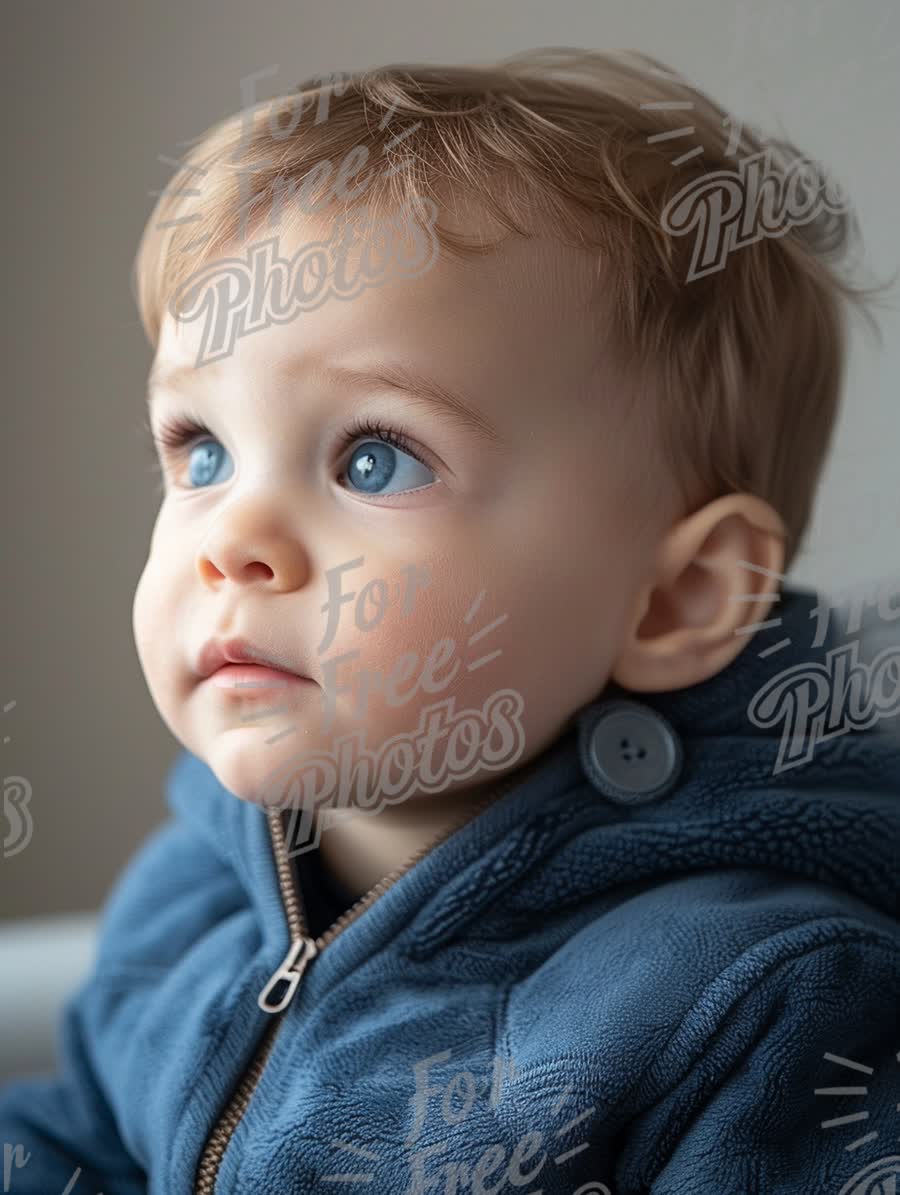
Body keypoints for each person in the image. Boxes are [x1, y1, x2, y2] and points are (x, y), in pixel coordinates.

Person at [2, 48, 899, 1195]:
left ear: (679, 598)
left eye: (376, 459)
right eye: (202, 451)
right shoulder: (192, 892)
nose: (233, 541)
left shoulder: (764, 1001)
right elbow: (77, 1145)